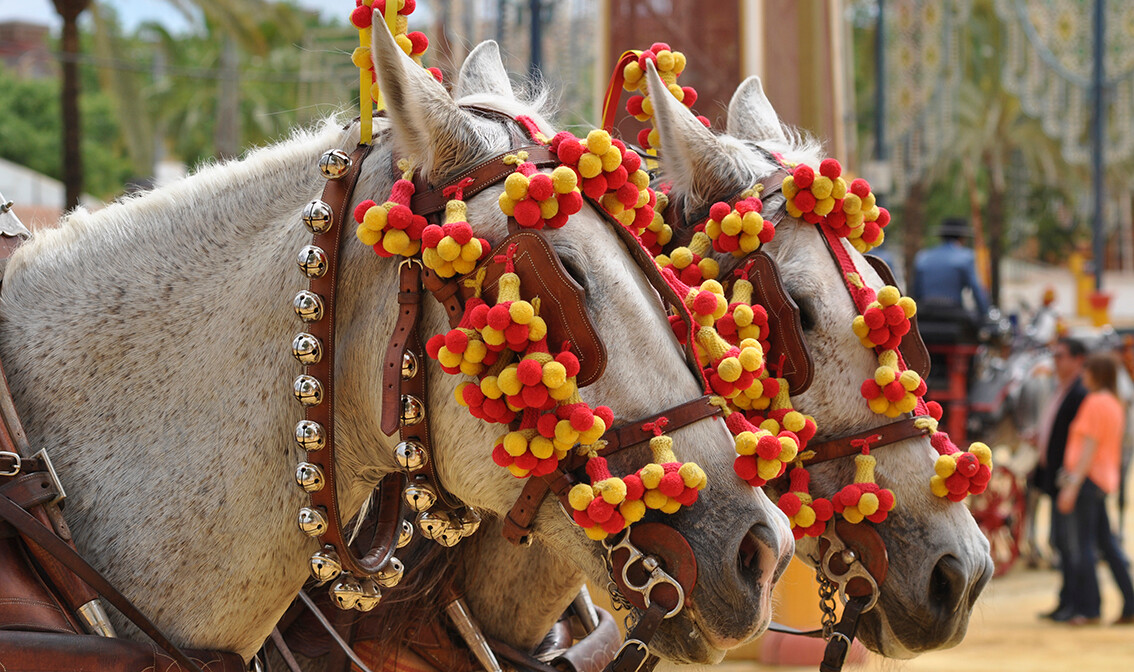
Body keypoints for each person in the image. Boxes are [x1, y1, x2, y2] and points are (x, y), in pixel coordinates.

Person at [1056, 352, 1134, 625]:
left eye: (1087, 371)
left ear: (1097, 374)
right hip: (1103, 478)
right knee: (1107, 545)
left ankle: (1090, 609)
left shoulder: (1095, 402)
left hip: (1088, 479)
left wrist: (1072, 485)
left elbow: (1088, 447)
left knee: (1084, 546)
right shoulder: (1114, 402)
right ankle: (1130, 601)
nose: (1083, 376)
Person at [1035, 338, 1088, 620]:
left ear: (1078, 359)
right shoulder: (1064, 389)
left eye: (1061, 356)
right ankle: (1066, 601)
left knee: (1071, 543)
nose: (1056, 361)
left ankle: (1074, 603)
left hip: (1068, 479)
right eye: (1054, 356)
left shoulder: (1080, 392)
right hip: (1057, 476)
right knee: (1062, 542)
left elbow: (1079, 442)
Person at [912, 217, 990, 325]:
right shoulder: (966, 257)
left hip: (925, 314)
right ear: (962, 238)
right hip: (953, 314)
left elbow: (916, 291)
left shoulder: (923, 256)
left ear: (941, 237)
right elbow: (976, 289)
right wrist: (985, 314)